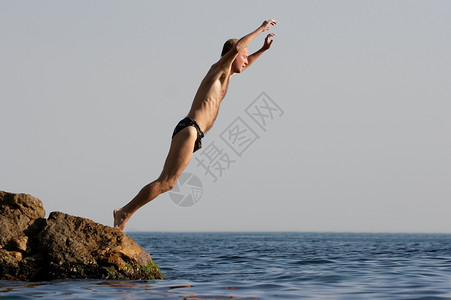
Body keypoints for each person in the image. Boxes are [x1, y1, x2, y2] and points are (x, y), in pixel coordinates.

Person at [114, 19, 277, 231]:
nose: (246, 61)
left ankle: (125, 213)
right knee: (166, 181)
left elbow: (244, 62)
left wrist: (262, 50)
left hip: (194, 133)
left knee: (169, 183)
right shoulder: (217, 69)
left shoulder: (227, 76)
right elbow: (238, 48)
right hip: (189, 129)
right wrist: (260, 29)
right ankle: (124, 213)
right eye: (244, 57)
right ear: (233, 56)